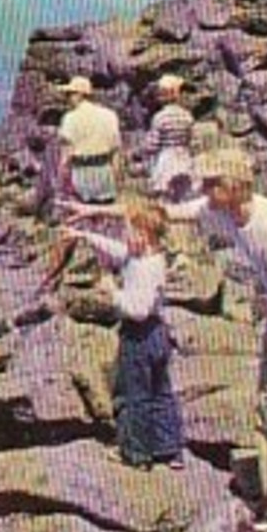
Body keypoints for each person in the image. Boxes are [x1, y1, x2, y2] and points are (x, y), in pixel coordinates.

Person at [75, 149, 267, 532]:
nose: (201, 190)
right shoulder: (221, 209)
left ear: (232, 186)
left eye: (210, 184)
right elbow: (161, 213)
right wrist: (96, 215)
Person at [63, 200, 184, 470]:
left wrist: (112, 292)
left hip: (139, 334)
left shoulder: (146, 268)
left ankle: (136, 453)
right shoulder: (147, 257)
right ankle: (169, 448)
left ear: (143, 234)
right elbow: (115, 250)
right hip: (158, 333)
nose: (123, 236)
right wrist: (84, 235)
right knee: (161, 390)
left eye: (128, 231)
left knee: (135, 394)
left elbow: (138, 310)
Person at [56, 76, 123, 206]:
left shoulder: (70, 118)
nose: (67, 98)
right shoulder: (110, 115)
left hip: (81, 173)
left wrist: (61, 181)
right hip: (104, 172)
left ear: (79, 95)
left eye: (69, 94)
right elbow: (116, 151)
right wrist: (117, 179)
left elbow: (66, 154)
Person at [145, 74, 196, 202]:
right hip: (184, 156)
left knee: (164, 196)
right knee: (183, 195)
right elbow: (192, 139)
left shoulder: (160, 117)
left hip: (166, 157)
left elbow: (153, 144)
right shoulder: (187, 115)